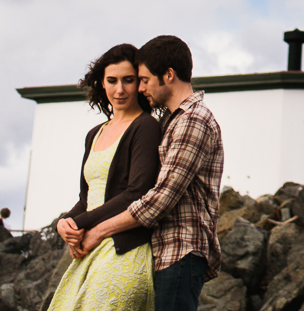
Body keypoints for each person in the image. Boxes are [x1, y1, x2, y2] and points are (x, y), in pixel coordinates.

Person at [79, 35, 223, 311]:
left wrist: (97, 231)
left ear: (168, 75)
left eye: (143, 80)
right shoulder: (172, 119)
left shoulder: (193, 120)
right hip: (165, 252)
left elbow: (159, 200)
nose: (141, 88)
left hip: (181, 250)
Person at [47, 44, 163, 311]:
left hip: (123, 249)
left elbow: (137, 193)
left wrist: (77, 223)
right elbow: (86, 197)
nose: (119, 89)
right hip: (91, 247)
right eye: (112, 81)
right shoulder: (94, 133)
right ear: (102, 83)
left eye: (128, 80)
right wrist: (63, 223)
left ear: (140, 84)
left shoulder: (145, 126)